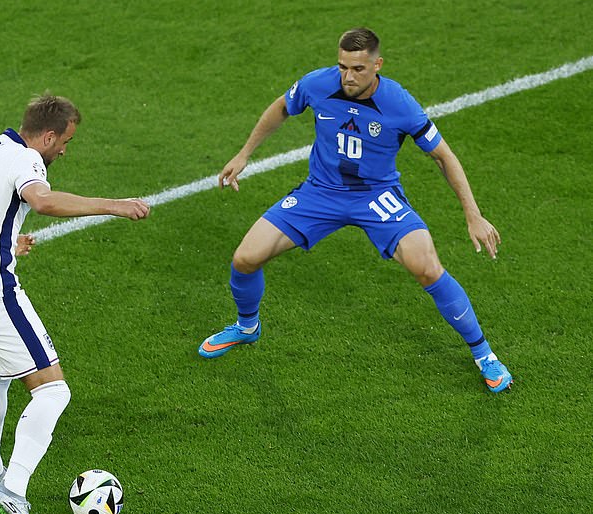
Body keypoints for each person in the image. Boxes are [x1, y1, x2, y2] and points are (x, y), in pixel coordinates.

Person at [199, 28, 513, 393]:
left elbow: (443, 156)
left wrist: (473, 215)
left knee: (427, 268)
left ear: (377, 65)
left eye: (358, 69)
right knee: (245, 258)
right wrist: (244, 153)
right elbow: (282, 107)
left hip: (376, 197)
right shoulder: (319, 83)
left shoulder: (399, 103)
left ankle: (484, 354)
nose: (348, 77)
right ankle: (247, 327)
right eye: (343, 66)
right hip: (320, 193)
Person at [0, 93, 150, 514]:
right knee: (53, 391)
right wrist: (114, 204)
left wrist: (1, 241)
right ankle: (13, 490)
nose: (64, 150)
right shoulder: (27, 161)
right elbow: (43, 201)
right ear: (47, 136)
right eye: (65, 141)